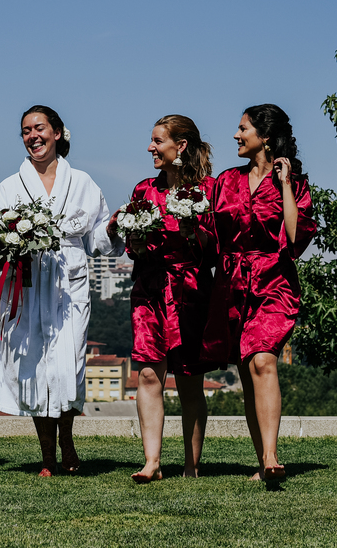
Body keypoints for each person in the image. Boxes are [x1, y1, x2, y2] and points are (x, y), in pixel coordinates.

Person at [0, 105, 123, 476]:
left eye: (39, 128)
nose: (33, 136)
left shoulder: (83, 183)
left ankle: (67, 439)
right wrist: (9, 244)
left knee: (69, 369)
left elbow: (97, 238)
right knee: (35, 370)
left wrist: (112, 230)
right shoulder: (9, 187)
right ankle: (48, 455)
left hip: (69, 289)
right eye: (26, 131)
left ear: (58, 133)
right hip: (28, 288)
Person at [202, 104, 316, 480]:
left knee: (264, 359)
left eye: (242, 129)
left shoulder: (294, 183)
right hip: (231, 283)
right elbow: (209, 232)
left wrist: (284, 184)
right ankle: (261, 459)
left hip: (274, 281)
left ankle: (271, 456)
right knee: (247, 367)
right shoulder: (224, 181)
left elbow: (296, 236)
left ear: (265, 137)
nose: (236, 135)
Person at [116, 115, 216, 483]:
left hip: (190, 290)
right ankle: (152, 462)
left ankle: (192, 465)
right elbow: (132, 248)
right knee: (147, 374)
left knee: (189, 380)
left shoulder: (209, 190)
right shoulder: (144, 190)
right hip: (148, 289)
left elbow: (217, 249)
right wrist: (135, 243)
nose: (150, 148)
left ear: (181, 146)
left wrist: (195, 235)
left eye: (157, 141)